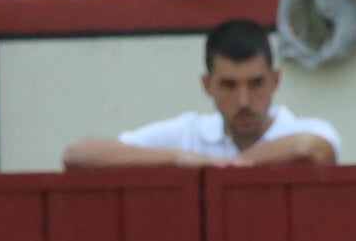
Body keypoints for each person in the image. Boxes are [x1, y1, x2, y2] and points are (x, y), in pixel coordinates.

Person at [63, 16, 339, 169]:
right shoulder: (188, 134)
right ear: (207, 85)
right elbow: (79, 156)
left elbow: (311, 149)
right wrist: (175, 158)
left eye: (255, 83)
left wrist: (217, 169)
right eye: (229, 85)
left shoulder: (305, 130)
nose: (243, 101)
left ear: (275, 81)